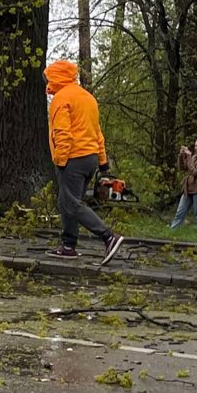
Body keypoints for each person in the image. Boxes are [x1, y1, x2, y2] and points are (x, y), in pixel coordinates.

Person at [45, 60, 125, 263]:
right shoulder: (88, 98)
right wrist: (102, 160)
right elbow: (97, 132)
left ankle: (108, 237)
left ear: (57, 77)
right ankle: (68, 245)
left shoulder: (61, 99)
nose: (47, 81)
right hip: (89, 158)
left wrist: (61, 161)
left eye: (49, 77)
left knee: (70, 203)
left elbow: (62, 133)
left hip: (73, 157)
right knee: (70, 203)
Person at [171, 138, 197, 233]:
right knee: (180, 212)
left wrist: (189, 156)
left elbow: (194, 171)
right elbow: (183, 167)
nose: (195, 148)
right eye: (195, 146)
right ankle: (172, 231)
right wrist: (182, 155)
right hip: (188, 187)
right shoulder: (194, 157)